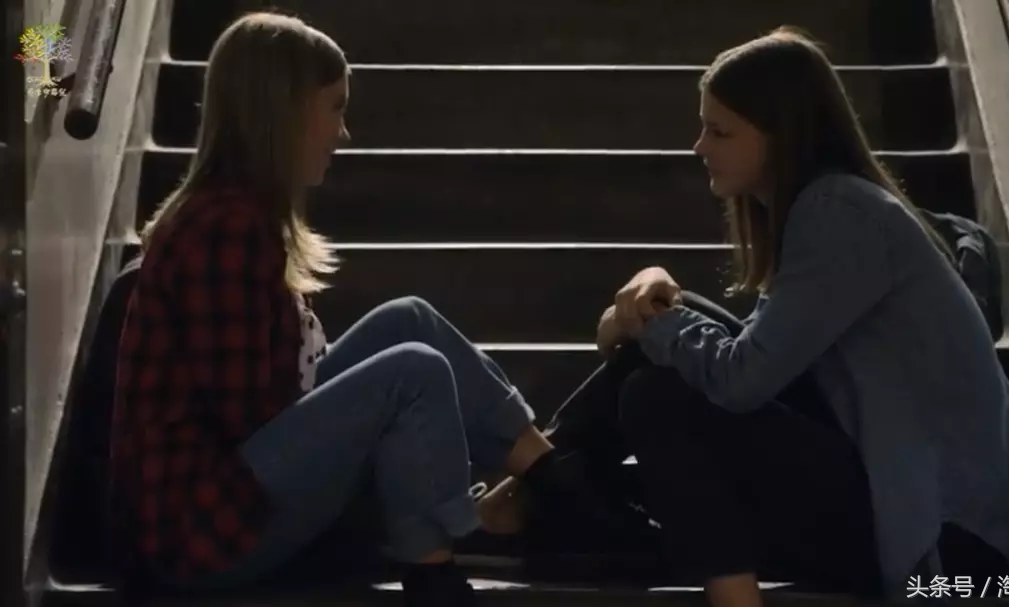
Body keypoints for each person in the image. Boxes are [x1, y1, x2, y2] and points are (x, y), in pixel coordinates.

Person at [478, 27, 1009, 607]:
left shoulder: (840, 213)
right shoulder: (831, 207)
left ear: (781, 136)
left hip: (931, 546)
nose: (699, 147)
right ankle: (539, 491)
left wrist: (642, 316)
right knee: (670, 345)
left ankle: (547, 500)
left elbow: (742, 379)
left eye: (720, 131)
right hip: (884, 500)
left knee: (660, 393)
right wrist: (649, 295)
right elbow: (747, 360)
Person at [108, 12, 631, 607]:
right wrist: (376, 437)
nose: (343, 132)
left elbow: (280, 402)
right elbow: (252, 420)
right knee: (411, 371)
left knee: (409, 319)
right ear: (282, 113)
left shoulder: (238, 214)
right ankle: (441, 565)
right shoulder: (224, 229)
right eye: (333, 109)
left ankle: (554, 481)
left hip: (234, 493)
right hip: (202, 529)